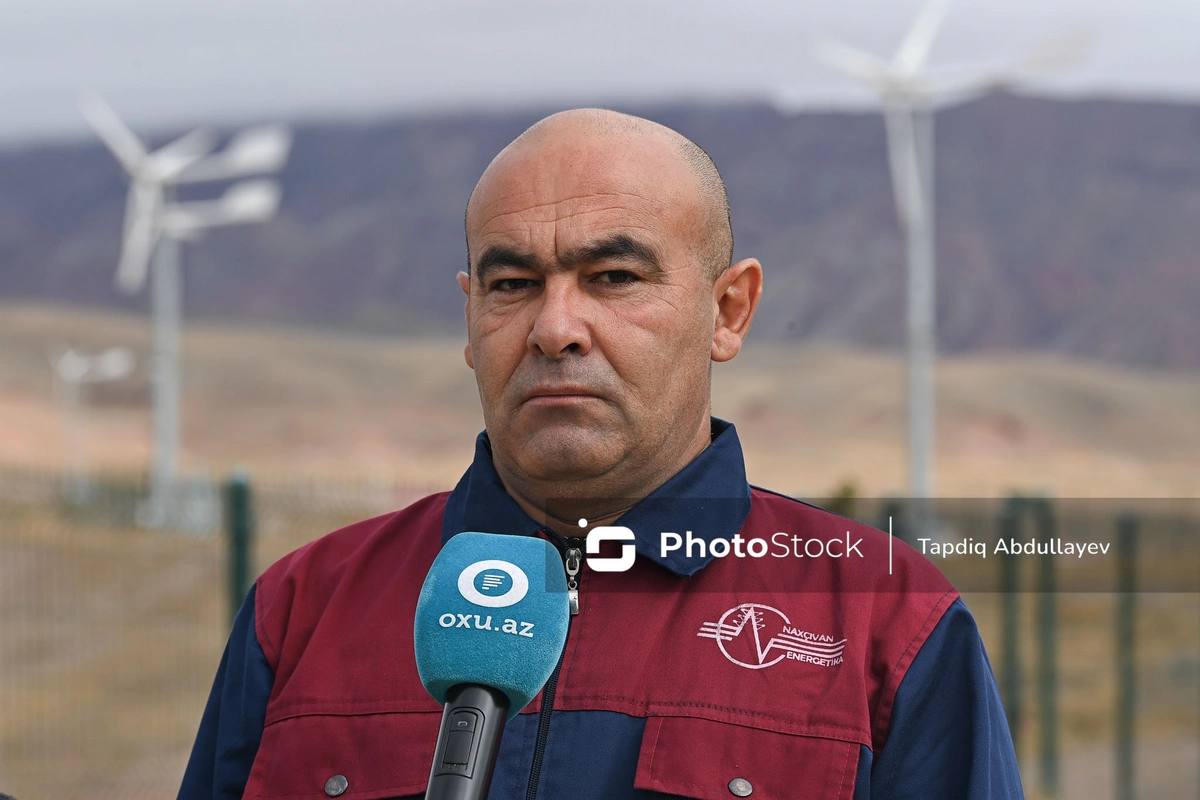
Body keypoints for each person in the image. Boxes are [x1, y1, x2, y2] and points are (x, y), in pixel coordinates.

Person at [179, 109, 1023, 799]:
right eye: (512, 285)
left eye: (614, 277)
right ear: (470, 317)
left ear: (728, 310)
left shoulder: (886, 621)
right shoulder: (303, 613)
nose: (555, 328)